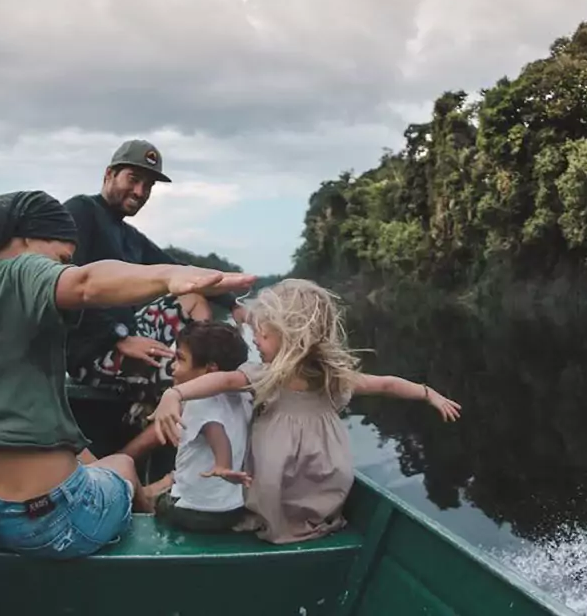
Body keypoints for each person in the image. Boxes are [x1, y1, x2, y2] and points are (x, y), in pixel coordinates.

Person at [0, 190, 256, 559]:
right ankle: (157, 533)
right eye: (60, 257)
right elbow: (87, 283)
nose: (62, 268)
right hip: (49, 520)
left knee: (91, 459)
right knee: (124, 468)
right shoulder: (20, 273)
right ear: (23, 240)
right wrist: (168, 276)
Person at [148, 278, 462, 545]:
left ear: (292, 338)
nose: (255, 339)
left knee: (273, 479)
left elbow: (386, 385)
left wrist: (426, 392)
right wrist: (174, 394)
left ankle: (271, 520)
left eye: (263, 334)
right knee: (285, 480)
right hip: (310, 469)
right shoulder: (269, 374)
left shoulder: (323, 378)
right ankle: (292, 520)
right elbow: (222, 380)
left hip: (290, 469)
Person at [63, 139, 247, 429]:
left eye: (148, 186)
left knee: (192, 294)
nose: (140, 192)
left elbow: (181, 272)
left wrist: (234, 305)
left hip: (129, 335)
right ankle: (139, 450)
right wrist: (119, 337)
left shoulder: (130, 236)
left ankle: (199, 360)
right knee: (188, 379)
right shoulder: (80, 212)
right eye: (133, 179)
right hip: (90, 350)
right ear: (108, 174)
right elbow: (67, 287)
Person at [142, 320, 254, 533]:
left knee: (157, 503)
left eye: (180, 359)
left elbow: (215, 430)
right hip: (232, 508)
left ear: (210, 369)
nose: (173, 367)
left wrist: (223, 464)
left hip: (195, 512)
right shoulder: (242, 395)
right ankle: (166, 481)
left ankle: (148, 500)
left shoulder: (200, 401)